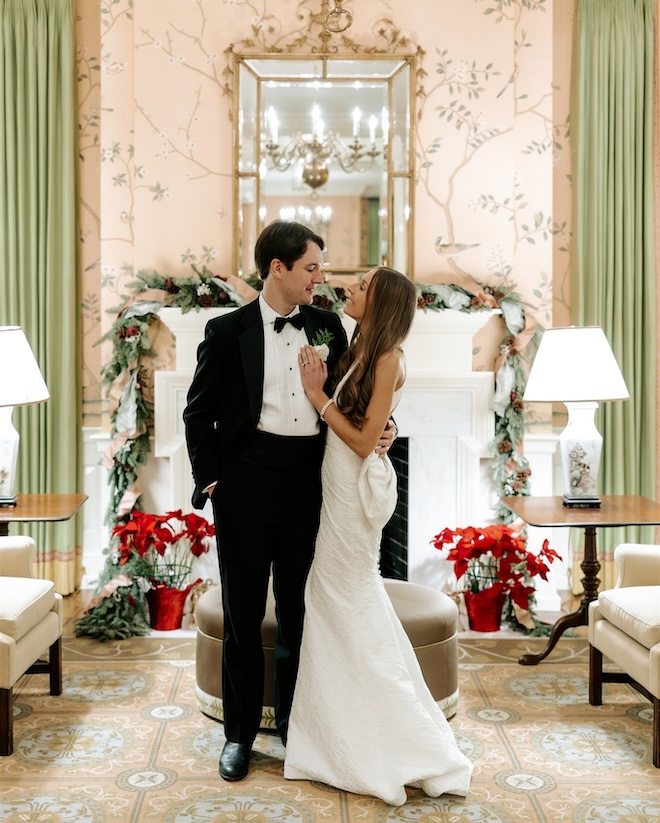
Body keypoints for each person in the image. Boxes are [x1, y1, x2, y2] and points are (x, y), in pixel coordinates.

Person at [183, 220, 395, 782]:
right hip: (244, 484)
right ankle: (239, 735)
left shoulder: (328, 325)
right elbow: (197, 414)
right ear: (277, 268)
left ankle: (299, 726)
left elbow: (354, 398)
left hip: (309, 484)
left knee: (302, 614)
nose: (319, 278)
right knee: (243, 615)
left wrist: (385, 426)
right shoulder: (226, 332)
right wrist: (212, 483)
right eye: (310, 267)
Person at [284, 266, 474, 806]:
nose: (349, 288)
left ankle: (393, 737)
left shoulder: (389, 356)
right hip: (336, 487)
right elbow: (371, 423)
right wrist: (337, 399)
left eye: (361, 286)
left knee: (346, 597)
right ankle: (337, 735)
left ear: (381, 301)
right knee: (334, 601)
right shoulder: (361, 348)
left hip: (350, 496)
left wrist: (317, 397)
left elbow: (366, 441)